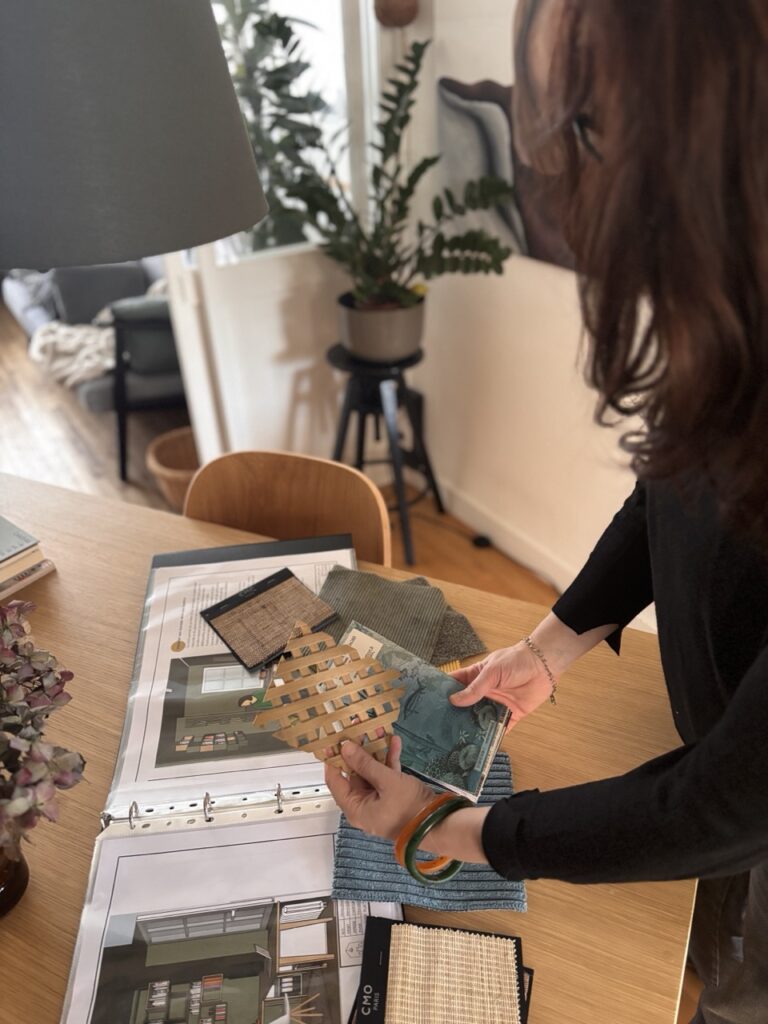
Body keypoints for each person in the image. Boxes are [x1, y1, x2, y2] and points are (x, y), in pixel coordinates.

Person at [324, 3, 768, 1022]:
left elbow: (726, 807)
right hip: (713, 766)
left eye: (575, 128)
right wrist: (555, 640)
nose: (556, 180)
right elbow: (680, 479)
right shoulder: (741, 310)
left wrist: (452, 826)